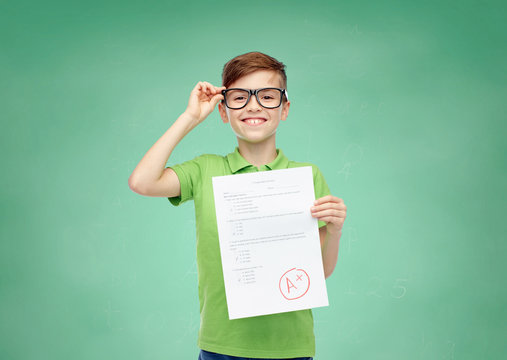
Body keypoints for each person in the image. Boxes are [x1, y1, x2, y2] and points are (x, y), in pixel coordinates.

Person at [128, 51, 347, 360]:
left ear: (284, 109)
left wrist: (335, 231)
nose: (254, 105)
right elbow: (142, 182)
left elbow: (320, 271)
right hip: (222, 346)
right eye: (240, 97)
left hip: (290, 346)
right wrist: (190, 117)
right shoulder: (205, 170)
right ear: (223, 110)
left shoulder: (307, 176)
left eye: (268, 96)